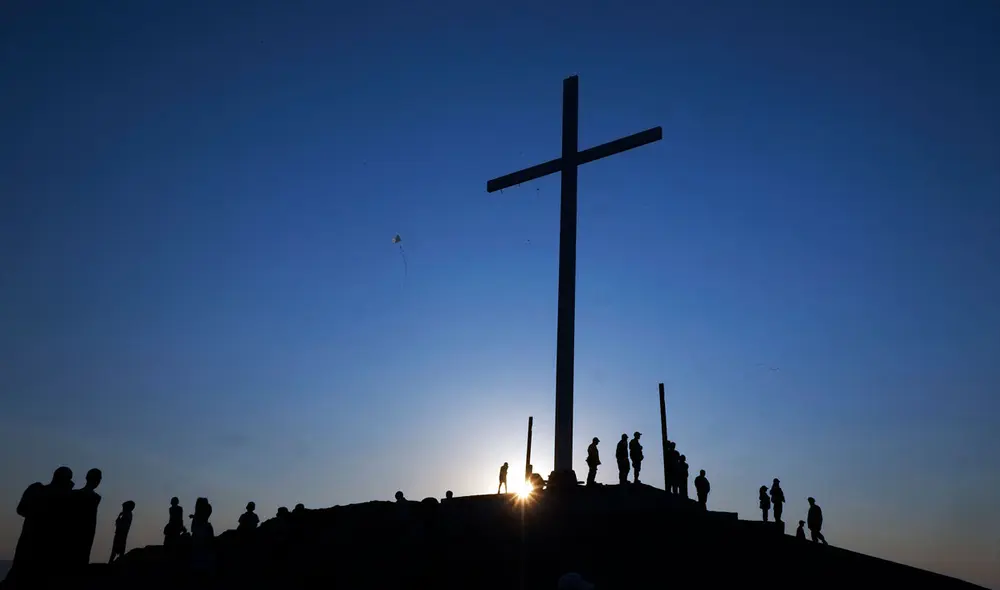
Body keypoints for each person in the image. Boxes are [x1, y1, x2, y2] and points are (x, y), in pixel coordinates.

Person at [70, 468, 102, 569]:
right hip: (78, 528)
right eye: (97, 478)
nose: (98, 481)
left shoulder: (96, 497)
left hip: (88, 529)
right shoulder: (76, 494)